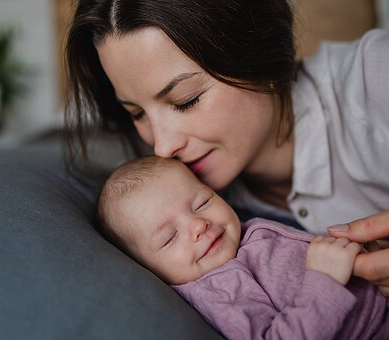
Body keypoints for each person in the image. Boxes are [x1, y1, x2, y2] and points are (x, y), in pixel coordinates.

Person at [64, 0, 389, 292]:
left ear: (258, 52)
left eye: (185, 100)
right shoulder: (190, 213)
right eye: (136, 113)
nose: (162, 147)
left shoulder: (375, 75)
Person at [96, 155, 388, 339]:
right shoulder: (220, 290)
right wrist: (324, 281)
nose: (199, 225)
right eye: (169, 237)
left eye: (203, 203)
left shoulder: (243, 233)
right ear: (148, 270)